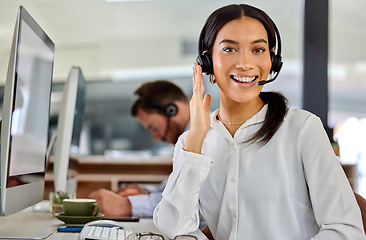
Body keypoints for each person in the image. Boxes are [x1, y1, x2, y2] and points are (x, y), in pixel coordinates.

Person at [153, 4, 365, 240]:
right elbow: (173, 227)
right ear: (207, 62)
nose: (245, 63)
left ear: (272, 61)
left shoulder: (302, 129)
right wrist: (195, 139)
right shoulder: (194, 141)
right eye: (230, 49)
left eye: (258, 49)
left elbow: (347, 231)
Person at [89, 80, 190, 218]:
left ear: (171, 110)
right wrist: (145, 192)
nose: (156, 137)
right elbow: (177, 187)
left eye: (154, 127)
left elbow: (189, 202)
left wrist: (126, 205)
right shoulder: (187, 139)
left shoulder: (205, 137)